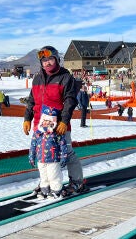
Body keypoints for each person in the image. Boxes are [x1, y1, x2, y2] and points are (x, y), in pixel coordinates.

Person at [23, 45, 88, 195]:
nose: (47, 63)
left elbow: (70, 101)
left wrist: (64, 121)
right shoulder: (37, 78)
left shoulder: (65, 78)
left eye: (50, 59)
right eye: (44, 60)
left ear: (57, 59)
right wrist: (27, 118)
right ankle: (45, 182)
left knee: (68, 153)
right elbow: (32, 101)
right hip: (40, 124)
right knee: (42, 155)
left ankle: (77, 182)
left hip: (58, 124)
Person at [29, 105, 69, 199]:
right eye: (46, 120)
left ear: (54, 122)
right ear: (42, 120)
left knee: (53, 175)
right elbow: (33, 145)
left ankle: (56, 190)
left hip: (53, 159)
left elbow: (63, 145)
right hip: (41, 159)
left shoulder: (56, 133)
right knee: (44, 176)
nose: (47, 123)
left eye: (50, 121)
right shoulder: (38, 133)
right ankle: (44, 190)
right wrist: (31, 156)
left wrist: (64, 156)